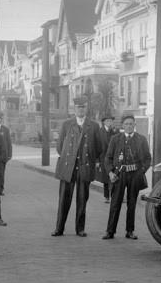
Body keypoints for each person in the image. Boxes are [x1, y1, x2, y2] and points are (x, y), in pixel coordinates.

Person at [52, 97, 101, 237]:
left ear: (87, 108)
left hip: (84, 167)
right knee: (63, 199)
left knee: (82, 199)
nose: (81, 109)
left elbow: (98, 147)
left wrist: (92, 161)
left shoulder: (94, 126)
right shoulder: (67, 124)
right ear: (74, 108)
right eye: (79, 107)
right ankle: (59, 228)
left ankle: (80, 229)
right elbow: (60, 146)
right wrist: (70, 158)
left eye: (83, 107)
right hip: (69, 167)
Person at [103, 114, 151, 240]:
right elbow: (107, 158)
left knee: (132, 203)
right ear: (122, 126)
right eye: (126, 124)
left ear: (134, 125)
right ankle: (110, 231)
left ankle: (130, 231)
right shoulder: (115, 139)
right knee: (115, 203)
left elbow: (147, 158)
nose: (129, 126)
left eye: (131, 124)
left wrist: (141, 171)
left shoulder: (141, 139)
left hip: (135, 175)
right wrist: (110, 172)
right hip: (119, 174)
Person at [96, 114, 118, 204]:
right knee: (105, 178)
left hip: (114, 158)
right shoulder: (99, 132)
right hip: (103, 158)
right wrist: (97, 160)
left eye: (111, 121)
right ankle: (106, 196)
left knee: (114, 177)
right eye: (108, 121)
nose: (109, 122)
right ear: (104, 122)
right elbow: (96, 146)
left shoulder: (115, 131)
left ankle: (114, 196)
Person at [0, 110, 12, 195]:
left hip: (3, 156)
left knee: (1, 174)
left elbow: (9, 143)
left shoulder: (5, 130)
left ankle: (0, 190)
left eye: (0, 118)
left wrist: (9, 155)